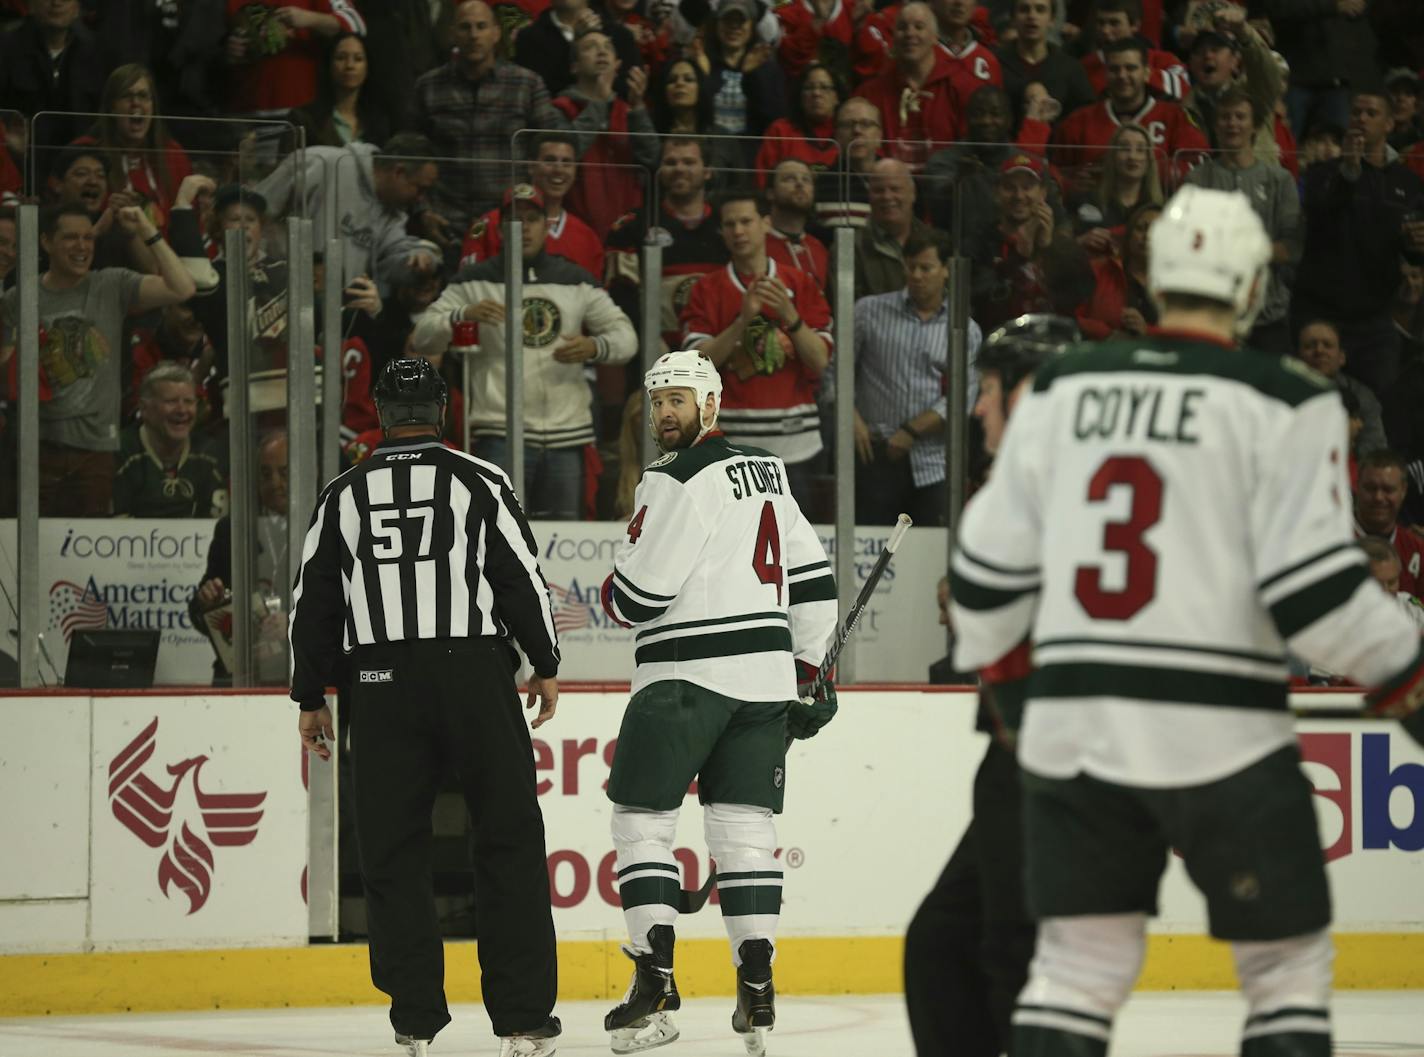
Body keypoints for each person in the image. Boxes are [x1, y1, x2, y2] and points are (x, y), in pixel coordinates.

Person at [949, 184, 1424, 1057]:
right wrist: (1409, 675)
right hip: (1223, 732)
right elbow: (1316, 596)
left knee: (1076, 967)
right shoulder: (1289, 397)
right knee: (1285, 971)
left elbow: (981, 577)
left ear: (1155, 277)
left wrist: (1020, 707)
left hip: (1079, 727)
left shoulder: (1061, 387)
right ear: (1250, 292)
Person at [288, 358, 563, 1057]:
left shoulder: (342, 492)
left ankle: (414, 1019)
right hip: (472, 668)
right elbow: (519, 574)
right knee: (508, 838)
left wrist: (309, 692)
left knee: (392, 848)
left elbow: (312, 600)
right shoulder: (479, 479)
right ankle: (525, 1022)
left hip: (377, 679)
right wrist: (545, 660)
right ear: (443, 409)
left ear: (380, 411)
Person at [597, 348, 838, 1057]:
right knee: (744, 830)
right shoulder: (769, 471)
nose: (665, 412)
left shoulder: (673, 478)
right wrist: (813, 672)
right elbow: (814, 575)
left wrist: (614, 589)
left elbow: (639, 597)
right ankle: (757, 987)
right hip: (764, 681)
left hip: (682, 675)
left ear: (711, 404)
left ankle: (653, 977)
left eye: (679, 399)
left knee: (641, 820)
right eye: (658, 400)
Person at [904, 313, 1077, 1057]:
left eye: (991, 388)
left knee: (1014, 960)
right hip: (1020, 756)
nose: (976, 407)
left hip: (1053, 761)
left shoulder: (1053, 491)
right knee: (943, 947)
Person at [414, 184, 638, 519]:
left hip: (567, 433)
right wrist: (462, 315)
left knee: (565, 542)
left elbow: (626, 339)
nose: (524, 227)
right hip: (499, 430)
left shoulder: (575, 279)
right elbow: (423, 337)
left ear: (546, 225)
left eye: (532, 219)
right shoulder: (472, 282)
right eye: (515, 220)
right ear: (501, 227)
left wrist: (595, 346)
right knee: (498, 535)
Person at [0, 203, 196, 516]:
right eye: (71, 238)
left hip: (95, 452)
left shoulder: (112, 284)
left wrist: (147, 229)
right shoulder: (18, 298)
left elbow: (182, 287)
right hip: (36, 448)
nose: (82, 247)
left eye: (89, 238)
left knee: (86, 555)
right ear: (46, 242)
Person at [681, 189, 833, 511]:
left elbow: (821, 361)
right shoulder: (707, 288)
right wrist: (742, 321)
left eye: (746, 221)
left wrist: (790, 316)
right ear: (721, 232)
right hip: (730, 448)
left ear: (765, 224)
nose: (738, 231)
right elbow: (697, 366)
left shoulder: (801, 282)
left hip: (797, 445)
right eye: (730, 224)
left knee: (794, 552)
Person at [1293, 88, 1424, 399]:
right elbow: (1319, 214)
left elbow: (1409, 248)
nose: (1361, 119)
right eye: (1355, 113)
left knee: (1382, 405)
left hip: (1375, 321)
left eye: (1371, 113)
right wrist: (1348, 173)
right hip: (1319, 314)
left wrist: (1417, 246)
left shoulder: (1407, 183)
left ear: (1390, 124)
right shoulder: (1323, 173)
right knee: (1310, 402)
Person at [407, 0, 567, 247]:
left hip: (511, 222)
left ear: (496, 33)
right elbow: (411, 157)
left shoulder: (527, 84)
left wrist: (536, 210)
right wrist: (422, 212)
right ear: (452, 34)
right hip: (445, 224)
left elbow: (552, 150)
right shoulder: (428, 87)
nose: (474, 35)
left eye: (481, 26)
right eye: (465, 27)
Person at [852, 233, 980, 527]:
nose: (917, 276)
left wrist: (911, 431)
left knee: (931, 555)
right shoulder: (869, 311)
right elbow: (837, 371)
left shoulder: (963, 328)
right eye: (911, 268)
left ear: (947, 269)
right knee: (872, 549)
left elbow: (964, 395)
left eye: (926, 268)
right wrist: (851, 416)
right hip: (875, 453)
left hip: (933, 462)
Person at [1184, 87, 1300, 356]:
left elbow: (1291, 248)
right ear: (1215, 125)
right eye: (1225, 117)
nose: (1232, 123)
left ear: (1255, 125)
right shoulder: (1196, 180)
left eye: (1240, 116)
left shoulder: (1280, 181)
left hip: (1268, 315)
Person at [256, 132, 441, 300]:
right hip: (277, 296)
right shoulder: (321, 162)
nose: (420, 198)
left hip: (337, 315)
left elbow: (393, 259)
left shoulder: (393, 213)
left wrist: (419, 257)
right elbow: (254, 210)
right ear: (398, 172)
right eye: (420, 188)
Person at [189, 430, 293, 685]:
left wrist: (294, 625)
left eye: (284, 472)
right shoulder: (232, 530)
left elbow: (345, 612)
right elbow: (199, 615)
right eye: (266, 474)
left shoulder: (326, 525)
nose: (275, 482)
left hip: (303, 676)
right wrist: (206, 603)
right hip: (242, 675)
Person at [605, 137, 729, 350]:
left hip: (719, 350)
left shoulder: (728, 223)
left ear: (707, 171)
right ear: (660, 171)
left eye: (689, 162)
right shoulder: (633, 225)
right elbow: (621, 293)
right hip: (653, 352)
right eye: (671, 163)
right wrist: (650, 340)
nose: (679, 169)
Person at [1050, 38, 1209, 188]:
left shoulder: (1176, 117)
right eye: (1114, 69)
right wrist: (1072, 184)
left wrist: (1136, 171)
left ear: (1146, 73)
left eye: (1130, 68)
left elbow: (1200, 168)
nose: (1122, 76)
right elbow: (1054, 173)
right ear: (1105, 74)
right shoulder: (1079, 121)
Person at [552, 28, 660, 239]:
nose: (601, 52)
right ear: (574, 66)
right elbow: (564, 157)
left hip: (627, 231)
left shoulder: (629, 111)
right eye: (590, 47)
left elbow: (652, 158)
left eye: (607, 48)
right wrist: (599, 103)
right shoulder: (560, 108)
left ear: (617, 65)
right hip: (575, 228)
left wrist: (638, 107)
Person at [459, 132, 604, 280]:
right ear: (531, 166)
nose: (559, 169)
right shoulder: (488, 226)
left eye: (567, 162)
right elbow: (468, 291)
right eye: (549, 160)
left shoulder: (587, 238)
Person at [74, 64, 194, 233]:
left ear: (153, 106)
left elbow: (191, 223)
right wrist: (109, 213)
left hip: (165, 255)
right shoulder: (87, 152)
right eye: (126, 96)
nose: (136, 103)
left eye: (143, 96)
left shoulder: (173, 155)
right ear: (112, 107)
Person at [854, 2, 966, 171]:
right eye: (902, 27)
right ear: (894, 36)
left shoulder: (959, 86)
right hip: (885, 190)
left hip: (945, 191)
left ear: (935, 37)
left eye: (919, 27)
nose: (909, 33)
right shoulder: (870, 93)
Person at [113, 362, 226, 518]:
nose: (182, 410)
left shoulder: (211, 454)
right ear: (144, 409)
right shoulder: (119, 452)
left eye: (189, 401)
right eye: (171, 401)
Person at [223, 0, 367, 117]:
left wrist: (309, 18)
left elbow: (355, 24)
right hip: (243, 115)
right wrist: (229, 49)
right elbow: (211, 46)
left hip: (300, 114)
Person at [0, 0, 104, 151]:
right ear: (31, 5)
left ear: (77, 7)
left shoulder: (97, 53)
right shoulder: (6, 49)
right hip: (19, 162)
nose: (56, 3)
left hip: (79, 163)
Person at [513, 0, 643, 101]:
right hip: (554, 130)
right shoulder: (528, 38)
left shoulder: (621, 35)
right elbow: (539, 93)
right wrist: (576, 44)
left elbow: (627, 92)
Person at [994, 0, 1096, 128]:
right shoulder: (994, 62)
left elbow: (1085, 117)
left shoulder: (1070, 68)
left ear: (1052, 20)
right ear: (1013, 19)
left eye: (1040, 10)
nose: (1032, 16)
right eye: (1024, 9)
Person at [1296, 320, 1388, 458]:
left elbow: (1375, 450)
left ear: (1341, 357)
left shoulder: (1362, 397)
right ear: (1297, 356)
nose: (1319, 350)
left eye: (1327, 345)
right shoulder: (1280, 392)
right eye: (1310, 346)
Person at [852, 158, 938, 299]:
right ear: (869, 197)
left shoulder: (936, 244)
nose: (887, 196)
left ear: (913, 193)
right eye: (879, 190)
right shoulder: (851, 249)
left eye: (895, 189)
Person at [1070, 124, 1163, 254]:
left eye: (1141, 150)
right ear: (1112, 156)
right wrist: (1080, 241)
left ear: (1149, 160)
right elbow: (1062, 249)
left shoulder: (1162, 210)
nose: (1132, 156)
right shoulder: (1085, 200)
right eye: (1124, 148)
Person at [288, 31, 391, 147]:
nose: (350, 65)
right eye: (341, 58)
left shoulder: (378, 120)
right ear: (329, 64)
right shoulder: (304, 119)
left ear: (368, 67)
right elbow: (288, 163)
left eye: (358, 59)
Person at [754, 63, 843, 185]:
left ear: (836, 97)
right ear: (800, 96)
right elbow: (763, 181)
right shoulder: (780, 130)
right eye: (809, 88)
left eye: (824, 87)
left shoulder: (848, 131)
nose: (816, 93)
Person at [1079, 0, 1188, 99]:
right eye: (1101, 23)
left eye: (1114, 23)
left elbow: (1185, 90)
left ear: (1135, 25)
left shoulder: (1164, 61)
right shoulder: (1084, 67)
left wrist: (1138, 73)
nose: (1105, 30)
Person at [1355, 449, 1424, 601]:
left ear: (1403, 490)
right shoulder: (1331, 544)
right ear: (1357, 486)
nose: (1379, 497)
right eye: (1371, 488)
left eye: (1388, 489)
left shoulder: (1417, 550)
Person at [810, 97, 883, 235]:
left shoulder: (896, 179)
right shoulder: (822, 184)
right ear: (837, 136)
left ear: (879, 136)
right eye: (848, 125)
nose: (856, 130)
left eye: (866, 124)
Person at [765, 159, 830, 292]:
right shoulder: (758, 247)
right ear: (770, 193)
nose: (800, 184)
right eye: (789, 179)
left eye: (806, 180)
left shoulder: (819, 248)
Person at [1361, 536, 1424, 632]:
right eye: (1378, 584)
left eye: (1391, 582)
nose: (1386, 591)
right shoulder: (1340, 617)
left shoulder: (1410, 607)